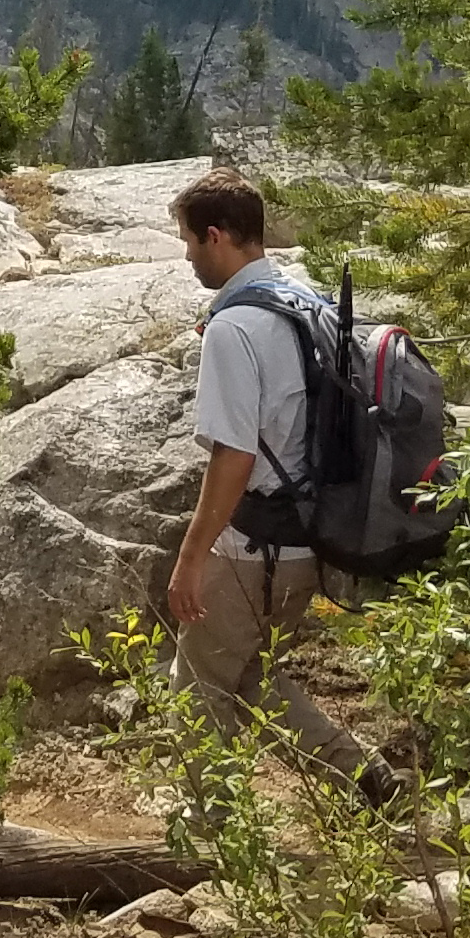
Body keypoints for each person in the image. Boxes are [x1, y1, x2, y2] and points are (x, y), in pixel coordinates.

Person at [160, 170, 334, 741]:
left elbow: (233, 456)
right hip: (309, 538)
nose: (188, 258)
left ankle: (212, 827)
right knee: (254, 677)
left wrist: (190, 557)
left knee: (197, 692)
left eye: (189, 242)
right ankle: (366, 779)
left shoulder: (234, 328)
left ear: (216, 236)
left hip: (250, 549)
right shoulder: (310, 305)